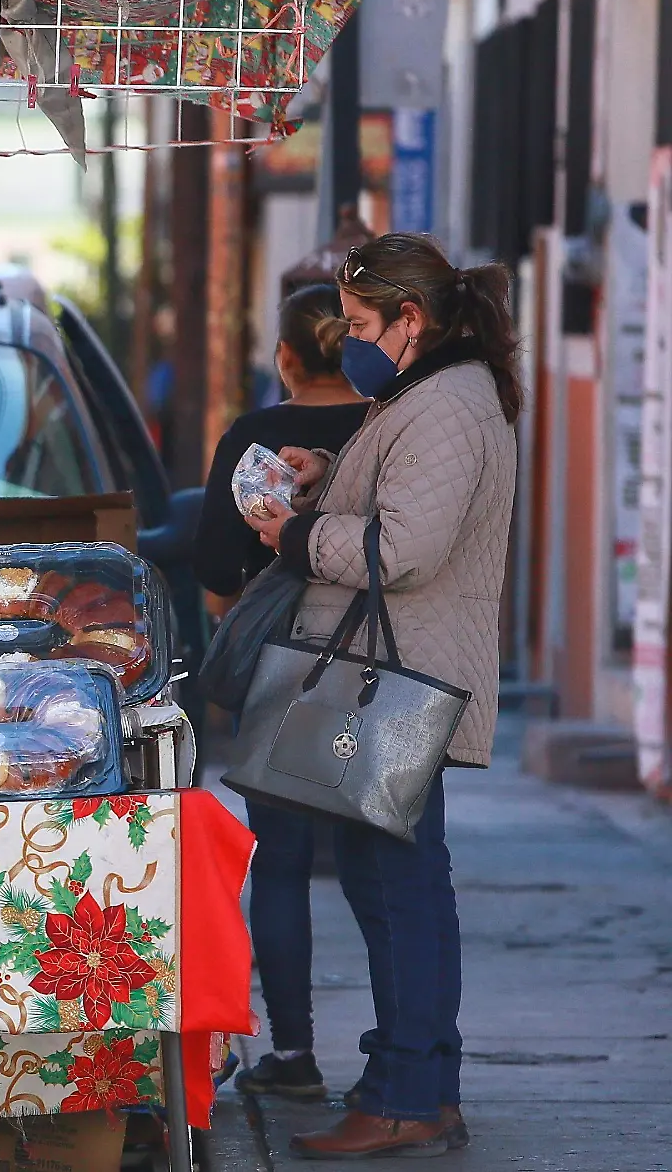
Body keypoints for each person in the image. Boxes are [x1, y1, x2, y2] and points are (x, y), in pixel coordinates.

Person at [246, 233, 520, 1160]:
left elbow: (403, 550)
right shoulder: (423, 393)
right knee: (392, 881)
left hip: (396, 677)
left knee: (397, 887)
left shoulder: (446, 402)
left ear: (412, 319)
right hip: (391, 670)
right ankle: (415, 1081)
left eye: (362, 323)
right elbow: (399, 506)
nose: (349, 340)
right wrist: (332, 479)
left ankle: (406, 1091)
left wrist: (297, 535)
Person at [195, 285, 370, 1105]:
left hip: (283, 667)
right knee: (393, 863)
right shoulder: (387, 430)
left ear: (287, 358)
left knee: (284, 864)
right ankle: (405, 1057)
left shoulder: (255, 440)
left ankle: (293, 1050)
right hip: (383, 668)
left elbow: (217, 578)